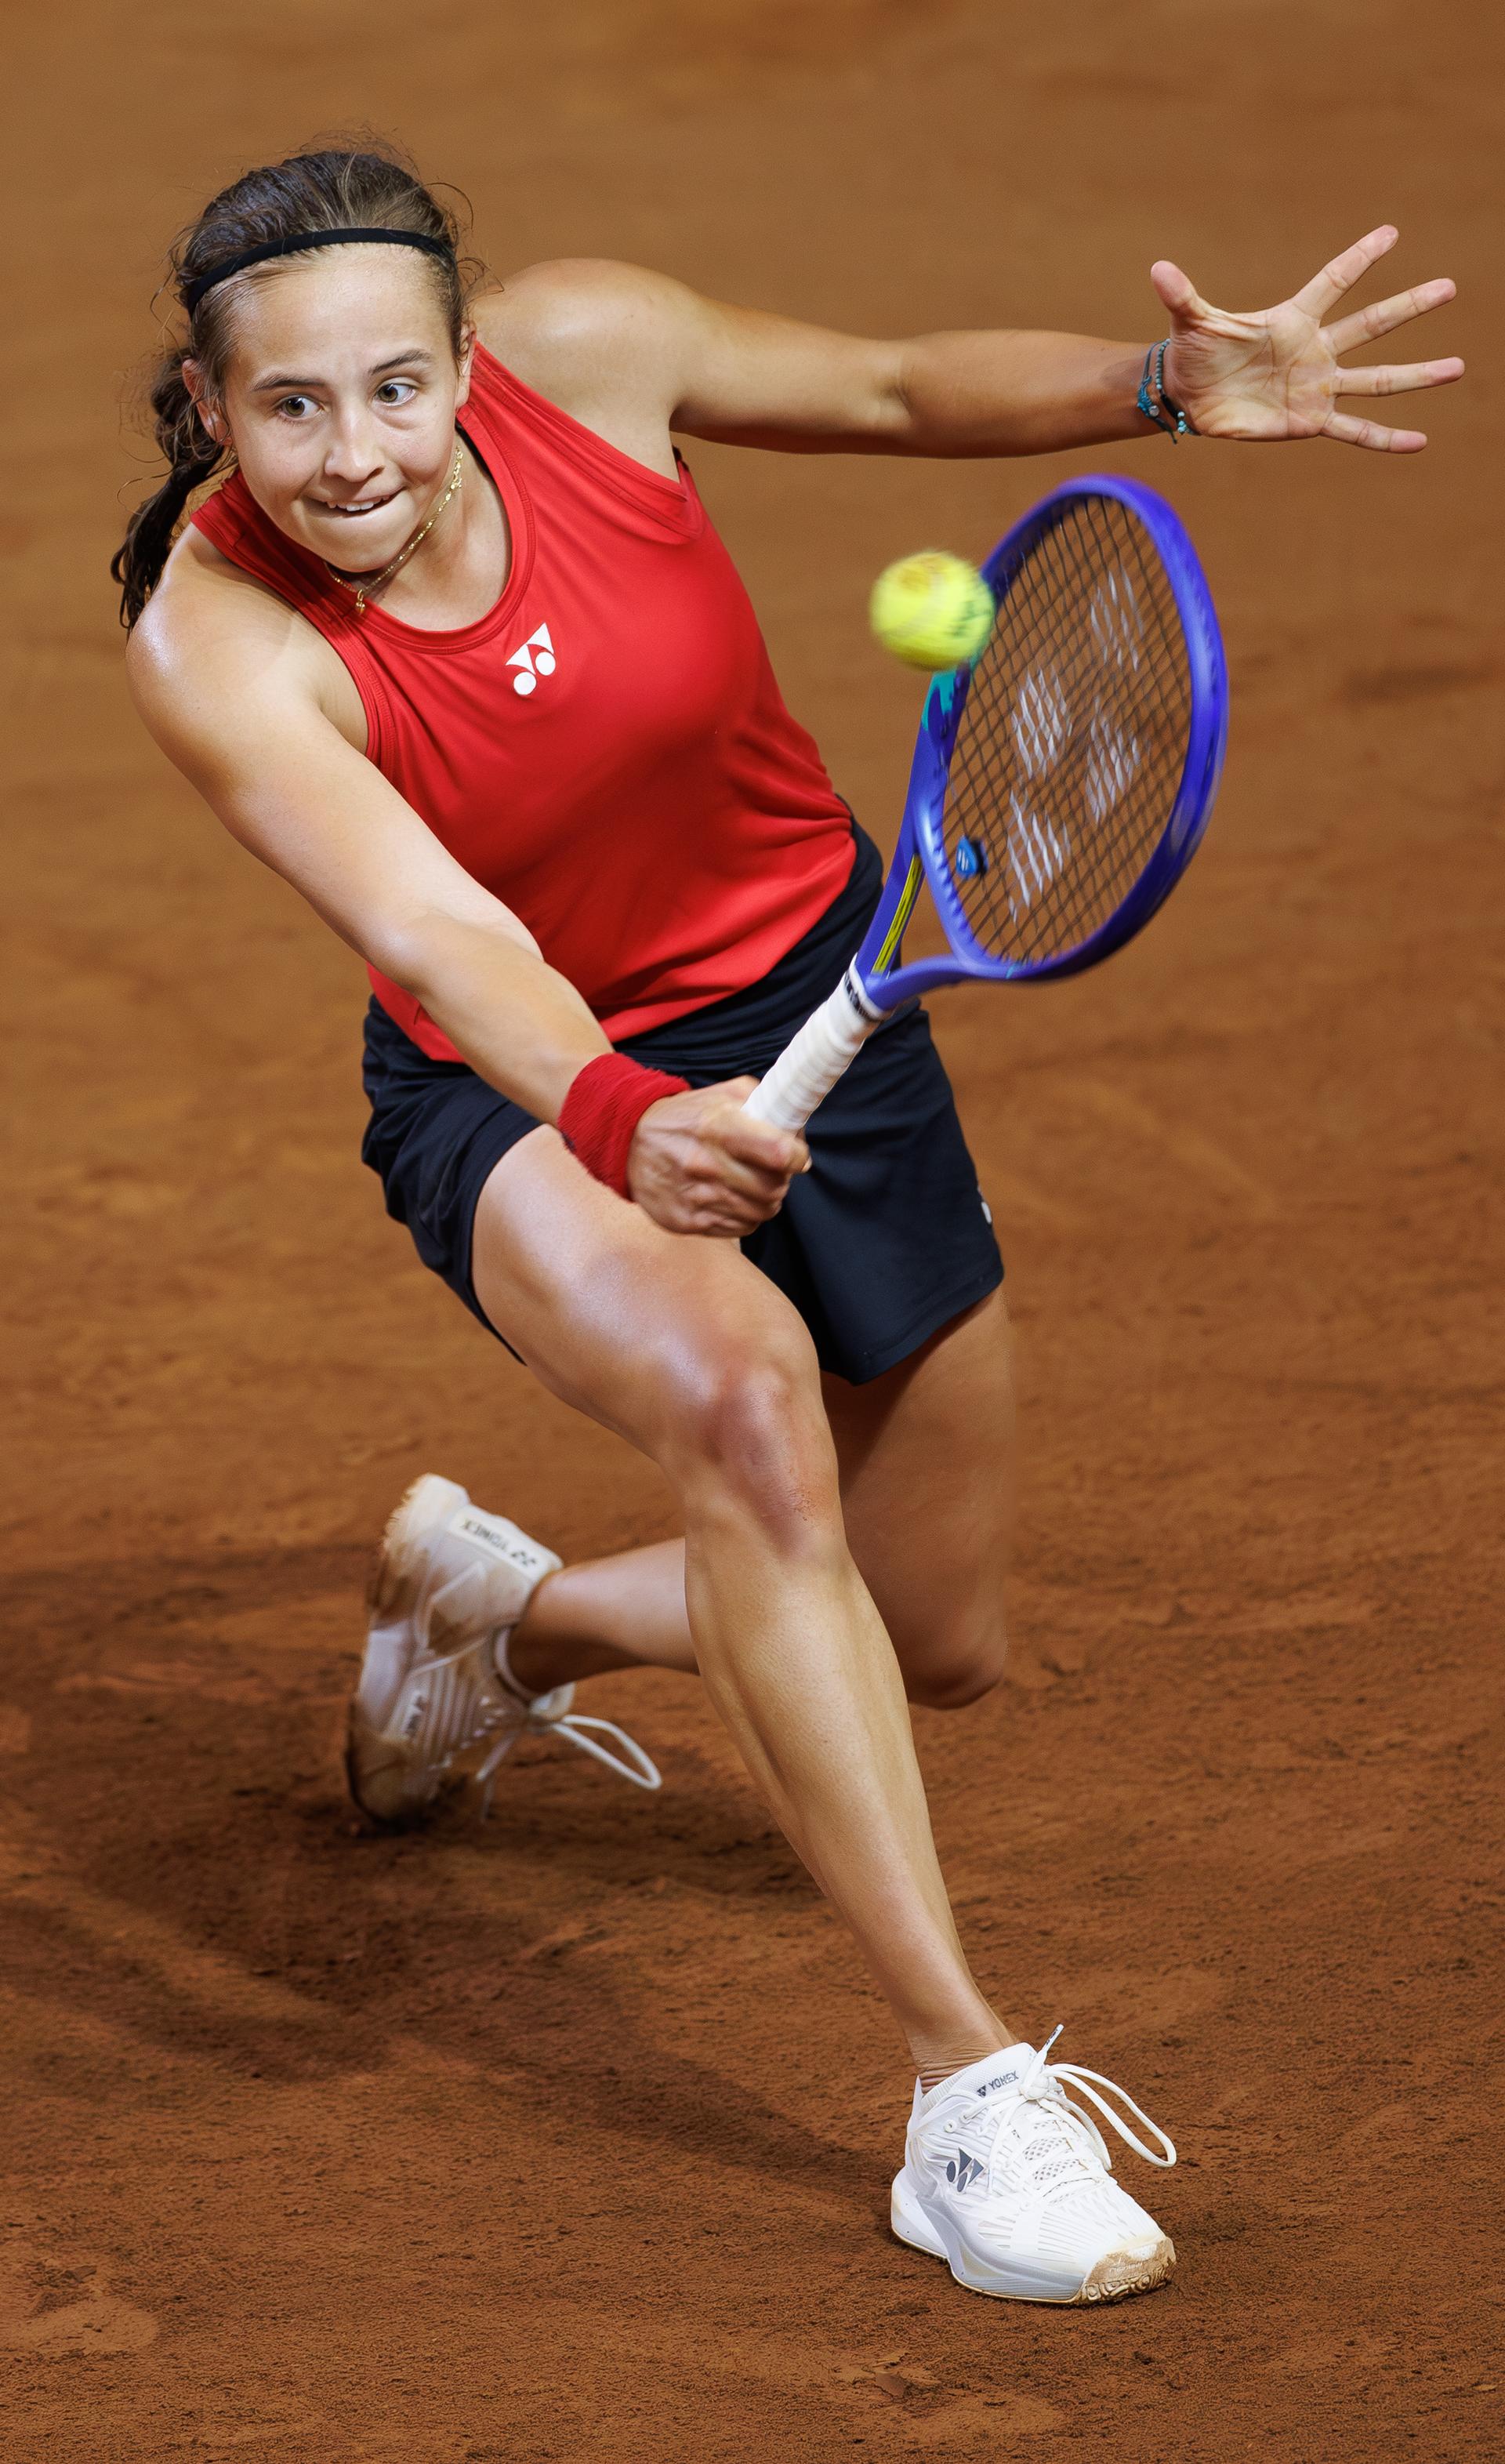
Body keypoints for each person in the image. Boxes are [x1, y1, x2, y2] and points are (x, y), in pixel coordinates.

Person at [115, 140, 1460, 2307]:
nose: (351, 453)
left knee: (934, 1640)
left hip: (836, 999)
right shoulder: (215, 642)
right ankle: (964, 2095)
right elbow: (441, 932)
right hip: (523, 1089)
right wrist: (622, 1109)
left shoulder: (599, 348)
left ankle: (499, 1623)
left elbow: (907, 385)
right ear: (206, 405)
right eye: (290, 408)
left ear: (474, 363)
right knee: (747, 1417)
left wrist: (1167, 379)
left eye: (395, 388)